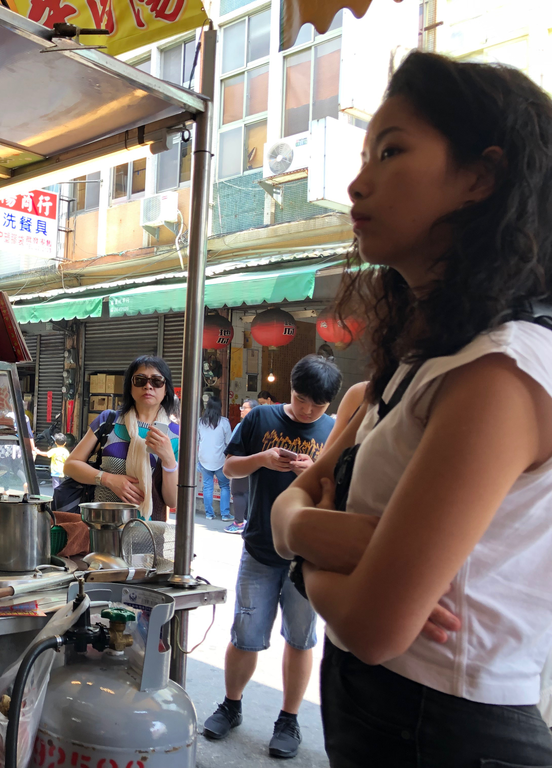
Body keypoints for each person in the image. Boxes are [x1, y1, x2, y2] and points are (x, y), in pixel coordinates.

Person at [271, 51, 552, 766]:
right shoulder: (417, 364)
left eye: (391, 151)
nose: (357, 182)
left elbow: (374, 624)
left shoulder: (502, 371)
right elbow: (294, 501)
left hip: (450, 732)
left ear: (480, 177)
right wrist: (311, 527)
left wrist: (300, 545)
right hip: (386, 714)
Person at [204, 354, 341, 759]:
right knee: (245, 636)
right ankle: (231, 705)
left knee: (300, 640)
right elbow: (228, 469)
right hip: (261, 548)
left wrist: (312, 472)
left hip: (307, 557)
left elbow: (337, 493)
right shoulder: (260, 418)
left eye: (318, 405)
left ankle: (289, 718)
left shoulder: (334, 431)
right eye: (301, 400)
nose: (308, 410)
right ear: (291, 391)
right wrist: (262, 459)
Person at [64, 355, 179, 521]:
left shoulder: (174, 434)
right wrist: (108, 479)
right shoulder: (108, 421)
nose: (148, 386)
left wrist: (168, 459)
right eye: (140, 380)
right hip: (102, 527)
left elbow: (172, 500)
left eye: (156, 380)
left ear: (165, 388)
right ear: (130, 387)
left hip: (147, 533)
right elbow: (70, 466)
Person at [224, 398, 257, 534]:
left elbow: (232, 446)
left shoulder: (242, 426)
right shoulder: (260, 425)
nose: (241, 410)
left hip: (241, 463)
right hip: (255, 465)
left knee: (238, 492)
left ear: (252, 410)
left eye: (244, 408)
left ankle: (238, 523)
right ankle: (246, 520)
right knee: (248, 493)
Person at [197, 394, 232, 521]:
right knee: (224, 486)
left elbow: (197, 440)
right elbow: (229, 442)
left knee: (207, 486)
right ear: (219, 407)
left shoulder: (200, 422)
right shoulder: (224, 422)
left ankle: (209, 514)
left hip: (204, 459)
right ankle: (225, 514)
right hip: (220, 460)